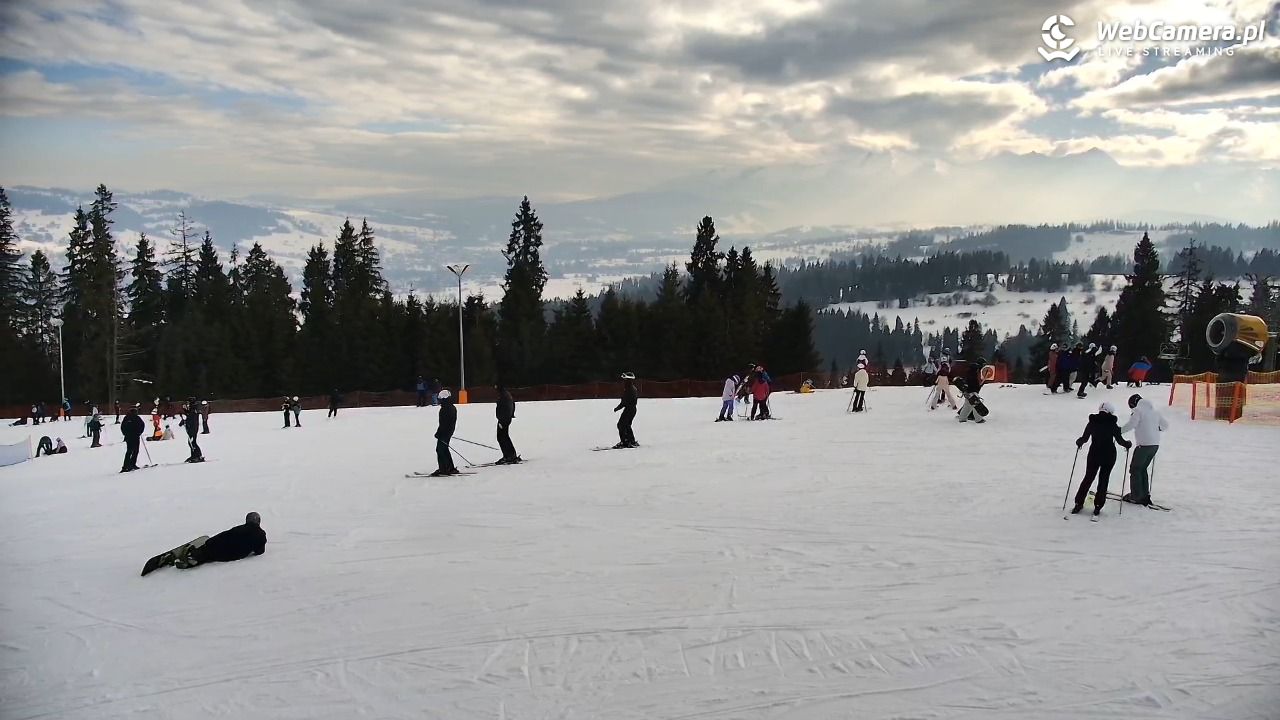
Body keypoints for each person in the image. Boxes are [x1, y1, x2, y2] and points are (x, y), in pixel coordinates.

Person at [143, 512, 267, 576]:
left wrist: (209, 542)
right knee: (210, 555)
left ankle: (190, 555)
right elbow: (260, 551)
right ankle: (194, 559)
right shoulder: (261, 534)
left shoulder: (240, 528)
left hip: (217, 547)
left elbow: (224, 535)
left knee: (207, 551)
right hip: (233, 556)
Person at [1071, 402, 1132, 516]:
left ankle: (1078, 503)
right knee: (1103, 479)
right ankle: (1098, 506)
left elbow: (1084, 438)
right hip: (1109, 455)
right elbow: (1120, 441)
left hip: (1094, 454)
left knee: (1088, 478)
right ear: (1110, 411)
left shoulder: (1092, 422)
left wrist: (1079, 442)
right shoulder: (1112, 424)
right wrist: (1127, 444)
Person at [1121, 394, 1168, 506]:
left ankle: (1136, 496)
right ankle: (1144, 495)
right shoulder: (1155, 412)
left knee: (1135, 469)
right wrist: (1154, 429)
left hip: (1143, 445)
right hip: (1155, 445)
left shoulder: (1138, 411)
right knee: (1142, 469)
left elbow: (1132, 424)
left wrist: (1118, 431)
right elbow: (1165, 425)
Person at [433, 389, 459, 476]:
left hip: (445, 433)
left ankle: (444, 469)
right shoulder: (450, 407)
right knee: (444, 449)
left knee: (440, 450)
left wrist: (439, 433)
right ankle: (449, 468)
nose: (439, 401)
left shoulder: (446, 409)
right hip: (447, 432)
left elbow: (444, 424)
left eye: (440, 399)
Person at [495, 384, 521, 464]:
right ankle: (511, 454)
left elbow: (504, 408)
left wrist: (501, 420)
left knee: (501, 437)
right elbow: (512, 405)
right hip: (506, 418)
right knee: (505, 436)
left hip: (503, 420)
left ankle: (508, 456)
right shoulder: (506, 394)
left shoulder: (503, 396)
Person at [614, 372, 639, 447]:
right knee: (627, 425)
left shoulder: (629, 389)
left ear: (628, 380)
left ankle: (625, 442)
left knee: (621, 425)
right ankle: (631, 440)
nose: (623, 381)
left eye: (625, 379)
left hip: (629, 410)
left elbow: (625, 401)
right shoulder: (631, 388)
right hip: (632, 409)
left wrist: (618, 408)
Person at [121, 405, 145, 472]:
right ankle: (126, 466)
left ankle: (130, 465)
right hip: (133, 437)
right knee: (132, 451)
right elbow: (142, 425)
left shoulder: (128, 417)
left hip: (131, 437)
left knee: (132, 451)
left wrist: (139, 432)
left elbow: (142, 425)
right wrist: (139, 432)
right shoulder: (132, 418)